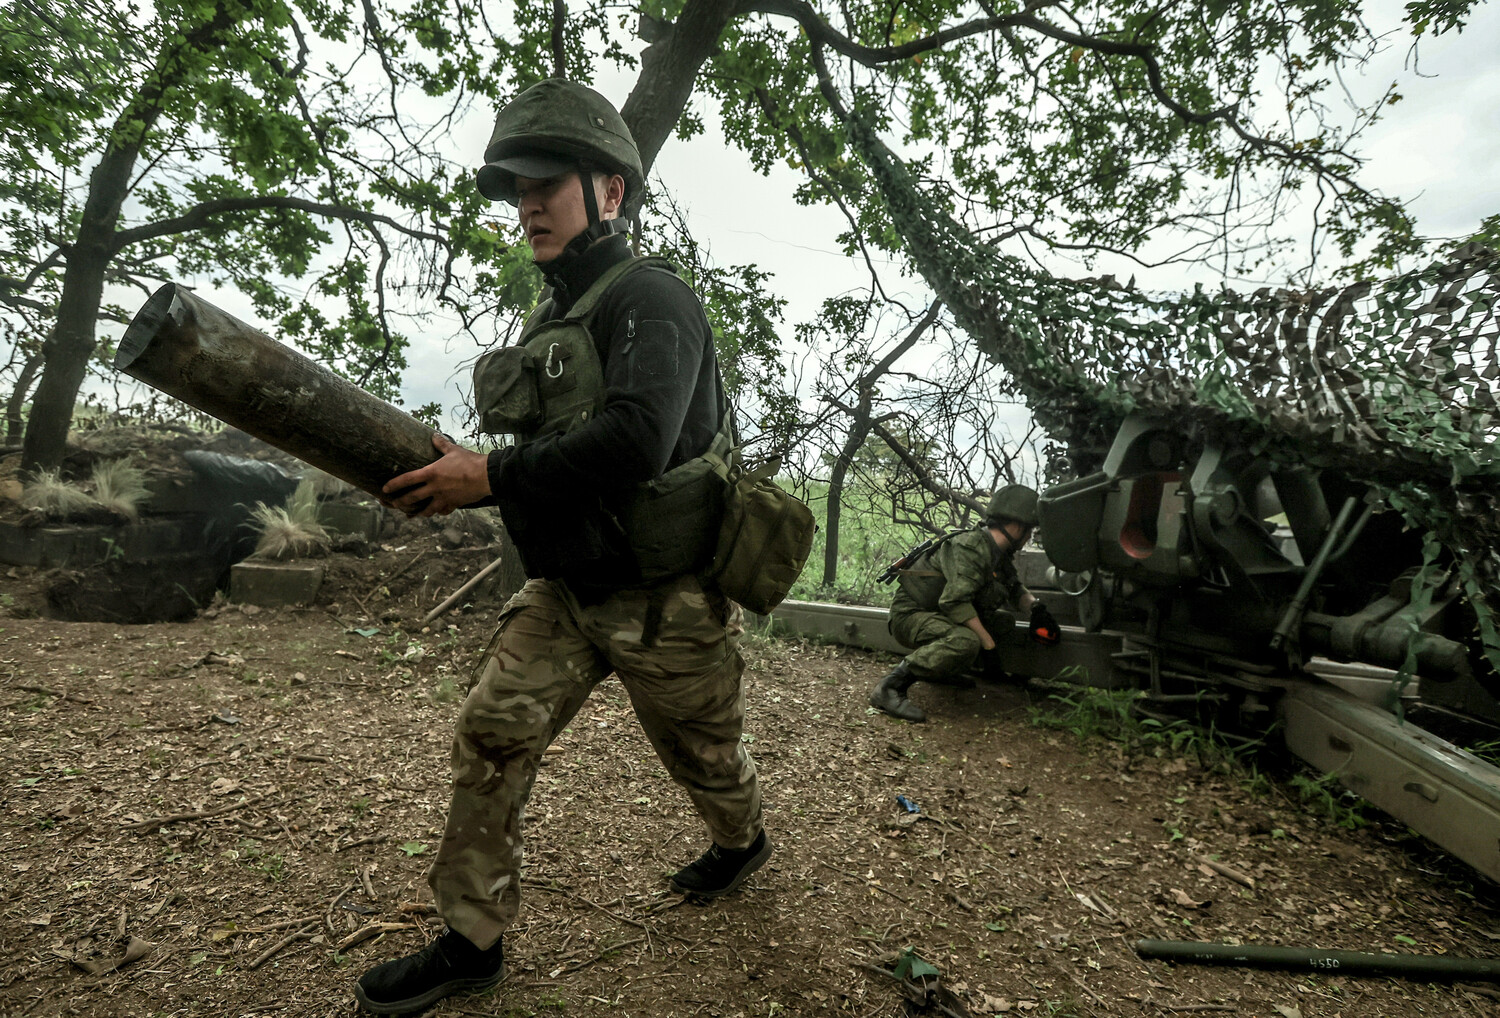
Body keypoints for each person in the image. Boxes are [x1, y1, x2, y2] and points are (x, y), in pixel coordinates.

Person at [353, 78, 768, 1016]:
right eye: (516, 188)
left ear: (610, 192)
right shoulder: (556, 319)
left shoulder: (653, 300)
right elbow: (550, 453)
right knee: (491, 733)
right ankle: (471, 941)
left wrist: (490, 476)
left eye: (547, 182)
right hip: (568, 593)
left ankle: (742, 842)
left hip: (665, 600)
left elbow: (636, 440)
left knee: (705, 757)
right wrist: (468, 472)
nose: (528, 203)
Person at [868, 484, 1060, 723]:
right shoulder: (971, 547)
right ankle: (890, 686)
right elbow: (954, 602)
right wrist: (988, 645)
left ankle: (951, 669)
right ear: (1018, 526)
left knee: (1003, 622)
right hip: (911, 615)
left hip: (937, 613)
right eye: (1029, 531)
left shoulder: (996, 551)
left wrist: (1036, 608)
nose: (1029, 537)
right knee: (966, 641)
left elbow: (1013, 587)